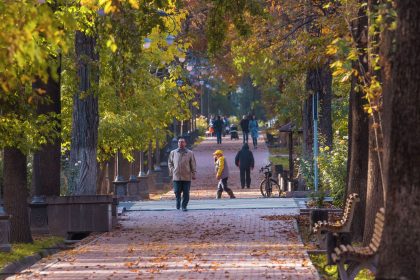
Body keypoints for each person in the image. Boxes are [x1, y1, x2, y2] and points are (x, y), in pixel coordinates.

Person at [168, 138, 197, 211]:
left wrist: (193, 173)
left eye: (182, 142)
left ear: (185, 143)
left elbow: (193, 163)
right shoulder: (173, 152)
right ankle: (178, 201)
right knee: (177, 191)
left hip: (186, 176)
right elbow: (170, 163)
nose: (180, 143)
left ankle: (184, 206)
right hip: (176, 176)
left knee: (186, 192)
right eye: (179, 142)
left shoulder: (190, 153)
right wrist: (172, 171)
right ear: (178, 144)